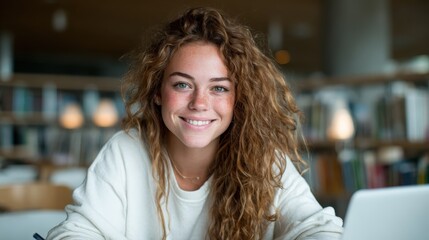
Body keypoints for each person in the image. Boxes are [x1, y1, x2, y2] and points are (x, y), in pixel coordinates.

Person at [47, 7, 343, 240]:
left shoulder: (263, 158)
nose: (200, 103)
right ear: (158, 92)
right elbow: (74, 232)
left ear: (237, 99)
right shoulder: (126, 152)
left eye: (218, 88)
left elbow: (317, 227)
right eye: (182, 85)